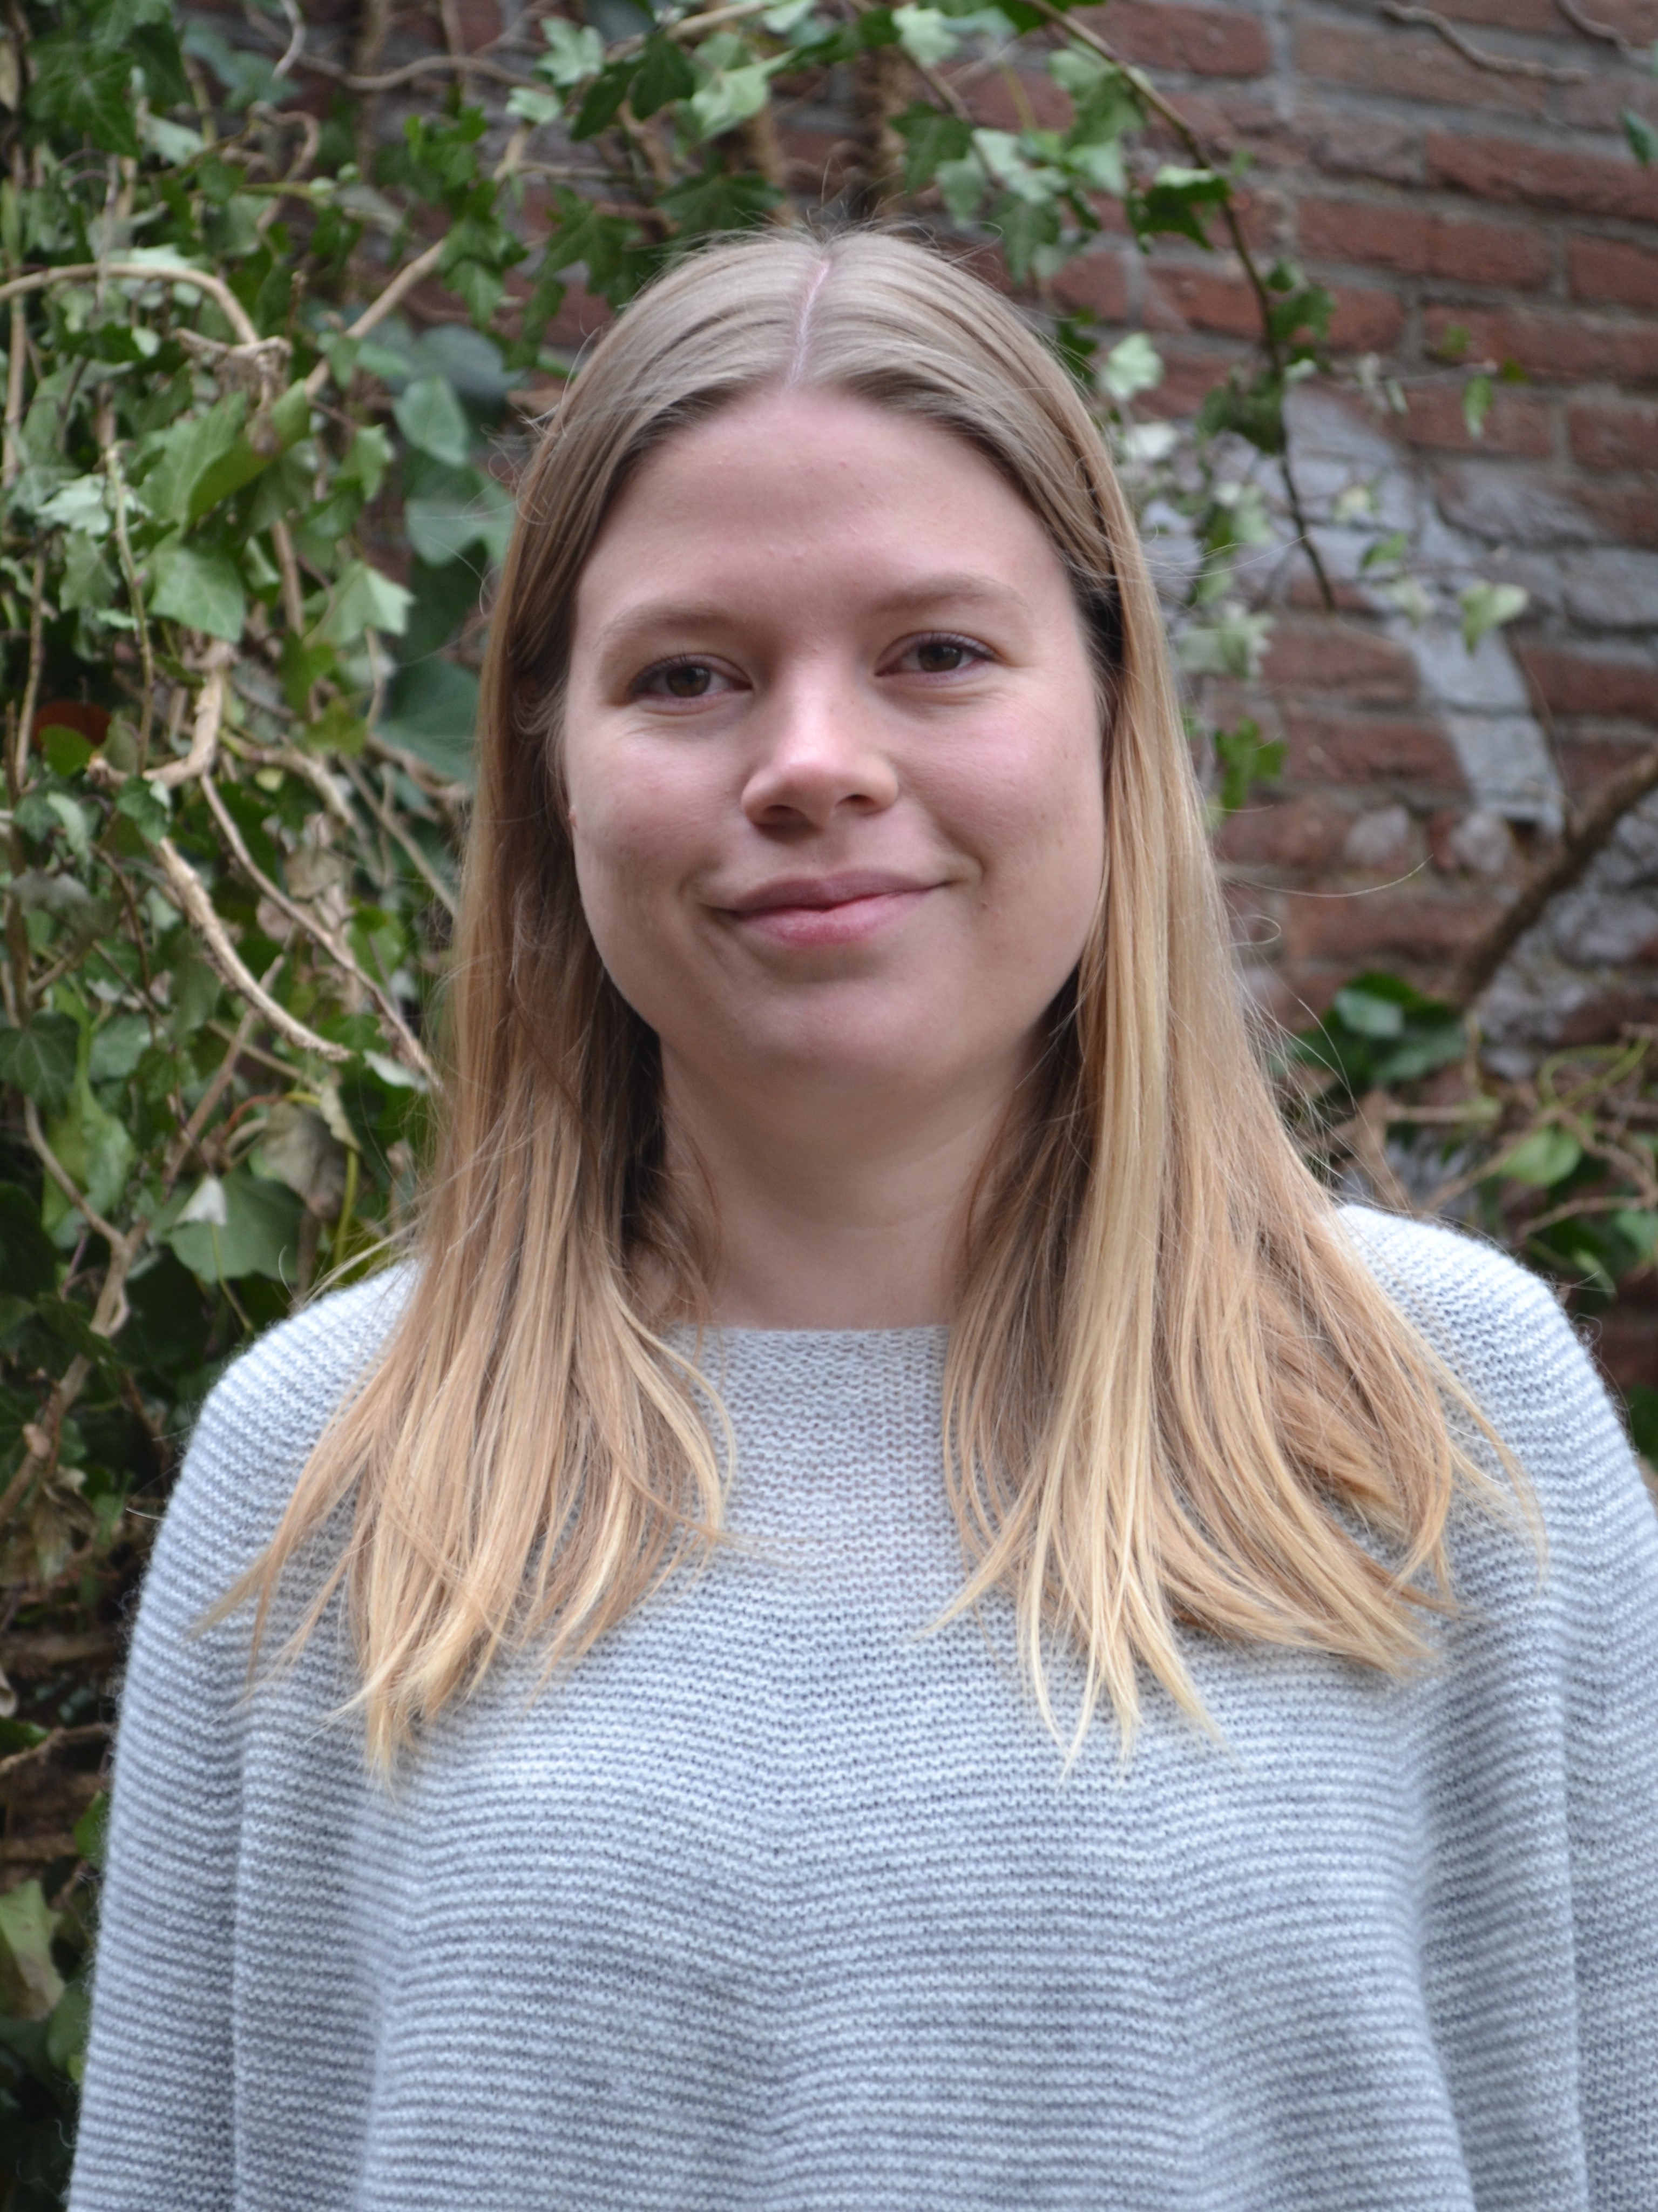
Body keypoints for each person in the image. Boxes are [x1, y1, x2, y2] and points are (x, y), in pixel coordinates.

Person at [71, 232, 1657, 2212]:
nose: (814, 764)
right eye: (689, 675)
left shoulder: (1435, 1417)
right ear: (551, 770)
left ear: (1112, 716)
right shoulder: (328, 1466)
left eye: (936, 653)